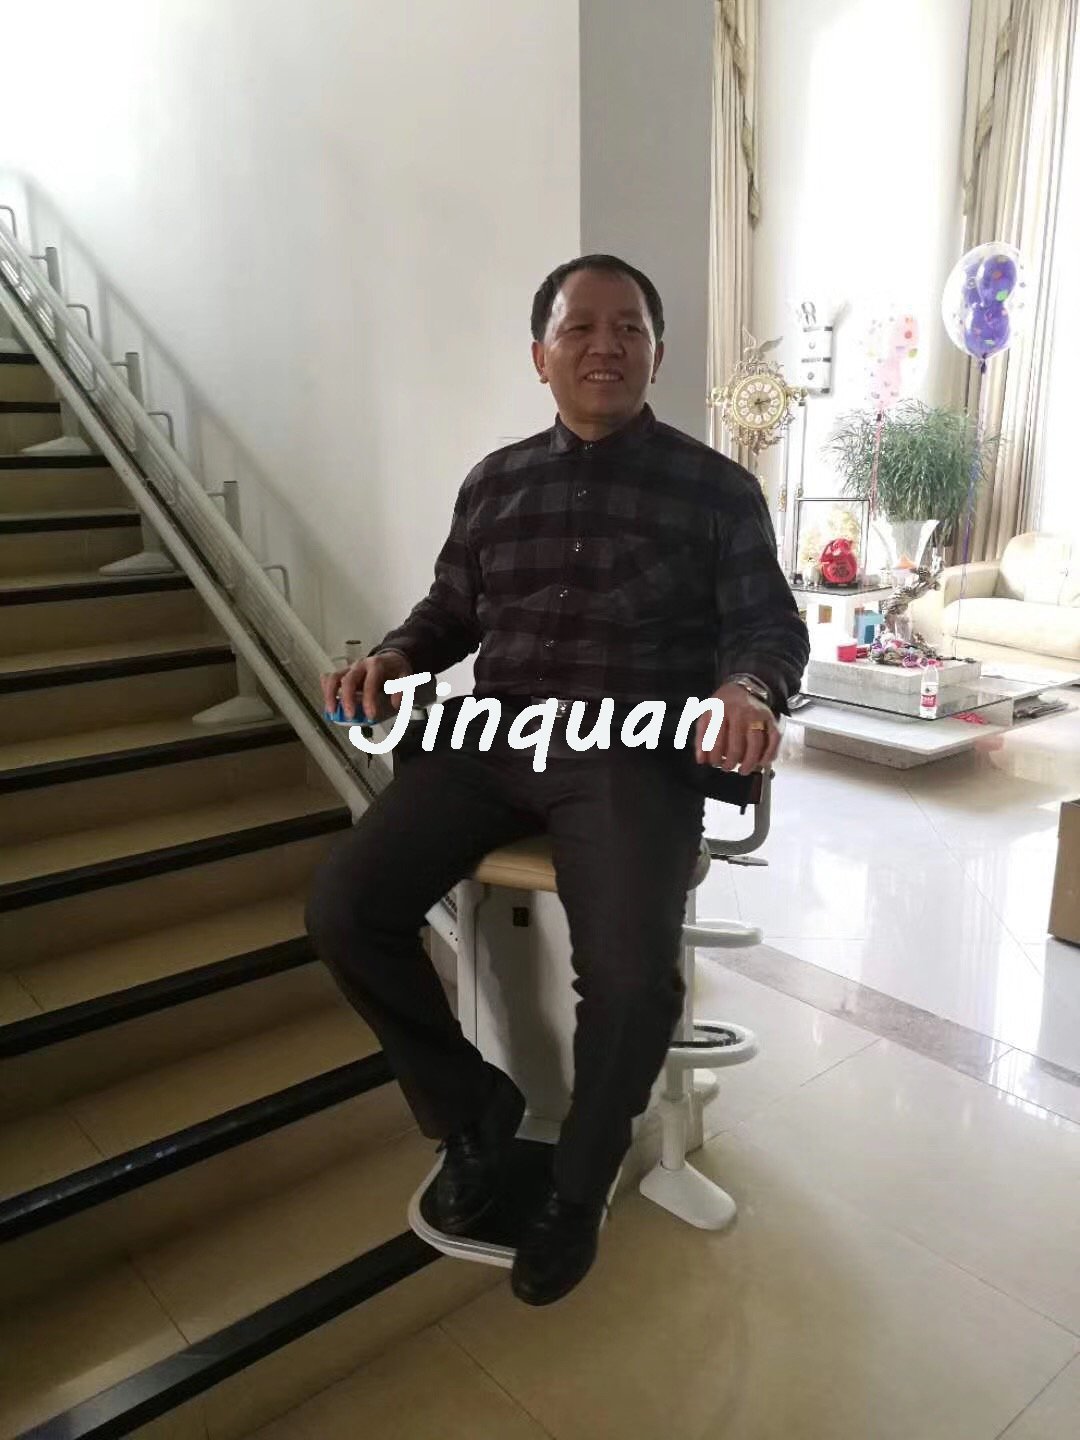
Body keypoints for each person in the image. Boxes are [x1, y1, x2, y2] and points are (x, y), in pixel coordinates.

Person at [305, 254, 809, 1306]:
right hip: (492, 739)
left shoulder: (717, 490)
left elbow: (768, 628)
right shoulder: (494, 482)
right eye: (580, 328)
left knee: (628, 977)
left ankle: (578, 1189)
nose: (604, 347)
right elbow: (450, 612)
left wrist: (748, 689)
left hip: (630, 749)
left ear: (658, 353)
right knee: (346, 907)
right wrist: (393, 658)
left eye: (629, 329)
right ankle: (471, 1113)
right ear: (540, 355)